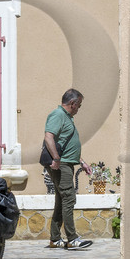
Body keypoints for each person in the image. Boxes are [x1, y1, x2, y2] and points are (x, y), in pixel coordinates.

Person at [42, 89, 92, 250]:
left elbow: (67, 144)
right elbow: (49, 137)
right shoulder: (58, 115)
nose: (79, 108)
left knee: (61, 200)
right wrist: (56, 158)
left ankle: (55, 238)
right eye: (79, 105)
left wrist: (82, 162)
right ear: (72, 103)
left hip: (66, 163)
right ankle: (72, 238)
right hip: (61, 164)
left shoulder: (66, 117)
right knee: (69, 197)